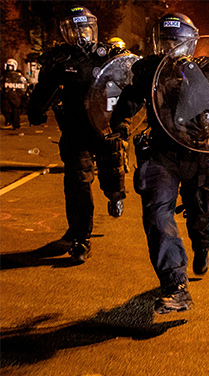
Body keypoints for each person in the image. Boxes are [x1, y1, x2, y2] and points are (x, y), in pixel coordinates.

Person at [110, 13, 209, 314]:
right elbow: (129, 101)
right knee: (157, 214)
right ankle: (175, 284)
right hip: (162, 154)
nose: (171, 48)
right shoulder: (149, 69)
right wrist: (120, 122)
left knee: (202, 216)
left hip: (199, 155)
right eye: (166, 42)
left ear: (191, 43)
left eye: (178, 43)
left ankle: (202, 248)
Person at [27, 5, 127, 263]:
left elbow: (129, 86)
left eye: (85, 28)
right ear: (67, 33)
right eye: (76, 30)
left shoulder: (109, 54)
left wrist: (125, 120)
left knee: (112, 171)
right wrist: (35, 110)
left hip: (105, 126)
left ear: (93, 28)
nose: (82, 35)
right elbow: (44, 88)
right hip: (74, 129)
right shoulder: (60, 59)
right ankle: (81, 238)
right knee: (78, 183)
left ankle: (115, 196)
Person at [1, 59, 28, 130]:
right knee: (5, 109)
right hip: (6, 95)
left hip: (16, 96)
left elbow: (24, 85)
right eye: (8, 66)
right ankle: (9, 119)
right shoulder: (3, 75)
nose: (10, 68)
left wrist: (23, 94)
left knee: (16, 111)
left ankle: (16, 124)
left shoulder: (19, 75)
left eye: (11, 66)